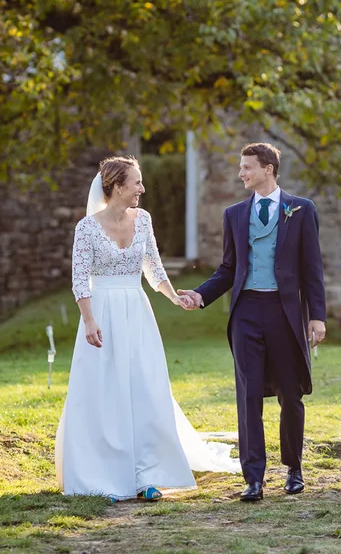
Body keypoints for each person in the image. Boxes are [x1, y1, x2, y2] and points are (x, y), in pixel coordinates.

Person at [55, 156, 240, 502]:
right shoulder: (87, 228)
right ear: (116, 186)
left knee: (144, 388)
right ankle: (100, 477)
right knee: (104, 391)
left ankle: (146, 475)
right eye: (136, 182)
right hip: (103, 313)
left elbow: (153, 267)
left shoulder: (144, 220)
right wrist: (90, 320)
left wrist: (174, 297)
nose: (142, 188)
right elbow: (80, 279)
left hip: (137, 313)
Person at [178, 143, 327, 502]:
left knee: (291, 395)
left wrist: (318, 316)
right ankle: (254, 478)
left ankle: (293, 469)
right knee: (248, 397)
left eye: (247, 167)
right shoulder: (234, 214)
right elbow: (229, 268)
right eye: (241, 168)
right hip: (246, 313)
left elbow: (313, 269)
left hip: (285, 313)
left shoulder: (301, 210)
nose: (241, 173)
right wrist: (200, 295)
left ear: (268, 169)